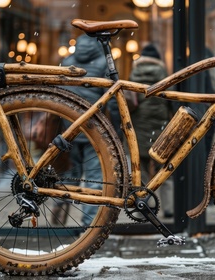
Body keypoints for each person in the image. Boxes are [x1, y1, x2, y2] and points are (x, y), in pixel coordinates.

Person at [53, 34, 120, 226]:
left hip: (69, 127)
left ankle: (59, 214)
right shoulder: (103, 63)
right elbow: (114, 99)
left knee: (69, 175)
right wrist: (116, 129)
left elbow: (58, 94)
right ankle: (89, 224)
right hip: (93, 129)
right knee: (94, 178)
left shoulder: (68, 61)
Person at [126, 43, 174, 218]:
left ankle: (141, 206)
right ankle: (168, 207)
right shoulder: (165, 75)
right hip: (161, 126)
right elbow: (172, 101)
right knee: (165, 167)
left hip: (139, 126)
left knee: (142, 169)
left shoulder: (134, 74)